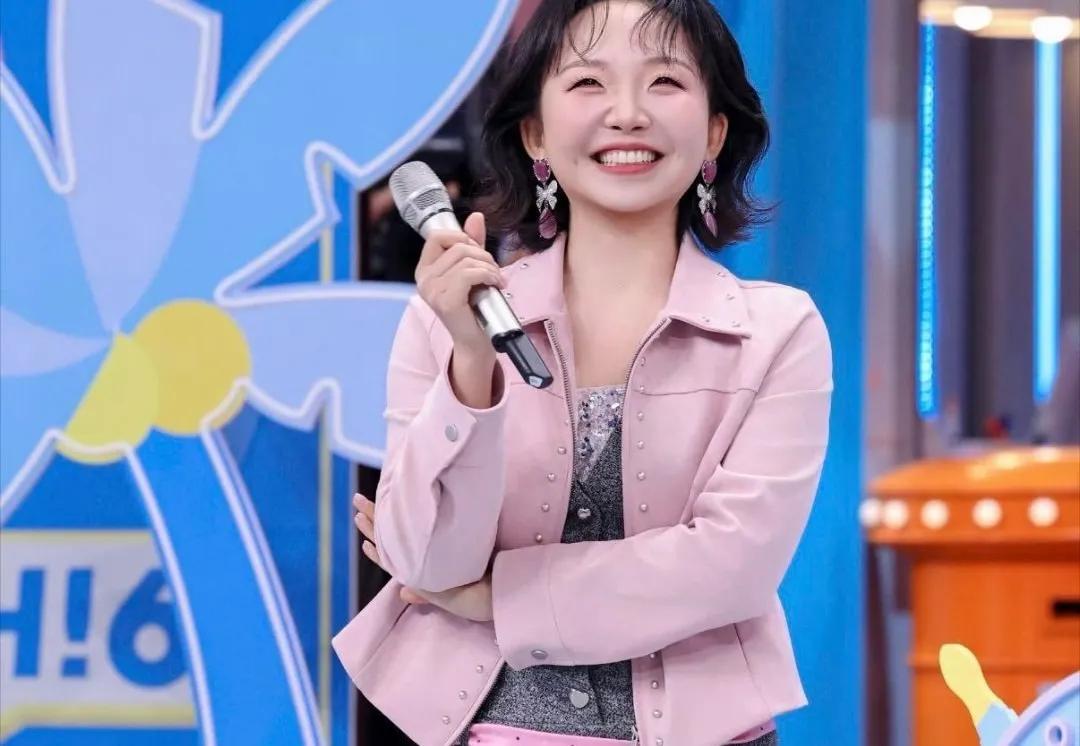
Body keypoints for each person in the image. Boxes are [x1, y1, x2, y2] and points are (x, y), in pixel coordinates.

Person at [335, 2, 833, 745]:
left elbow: (732, 567)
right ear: (535, 133)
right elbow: (426, 563)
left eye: (665, 82)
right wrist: (472, 365)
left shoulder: (777, 332)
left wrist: (499, 597)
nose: (627, 113)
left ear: (714, 133)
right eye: (588, 83)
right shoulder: (445, 320)